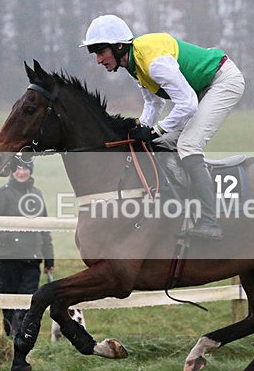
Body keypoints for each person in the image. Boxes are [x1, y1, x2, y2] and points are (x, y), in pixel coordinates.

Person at [80, 14, 245, 240]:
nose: (98, 60)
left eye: (100, 52)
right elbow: (153, 102)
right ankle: (177, 204)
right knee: (156, 143)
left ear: (118, 46)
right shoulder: (132, 62)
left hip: (223, 82)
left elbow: (187, 104)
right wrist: (142, 127)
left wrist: (155, 130)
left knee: (188, 144)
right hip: (200, 88)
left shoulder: (153, 63)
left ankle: (210, 221)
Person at [0, 157, 54, 337]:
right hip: (6, 260)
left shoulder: (37, 194)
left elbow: (45, 229)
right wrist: (9, 239)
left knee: (27, 303)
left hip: (32, 260)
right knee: (9, 305)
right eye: (17, 169)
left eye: (25, 169)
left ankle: (21, 342)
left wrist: (49, 258)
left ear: (31, 170)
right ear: (12, 171)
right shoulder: (0, 194)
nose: (21, 173)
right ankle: (10, 341)